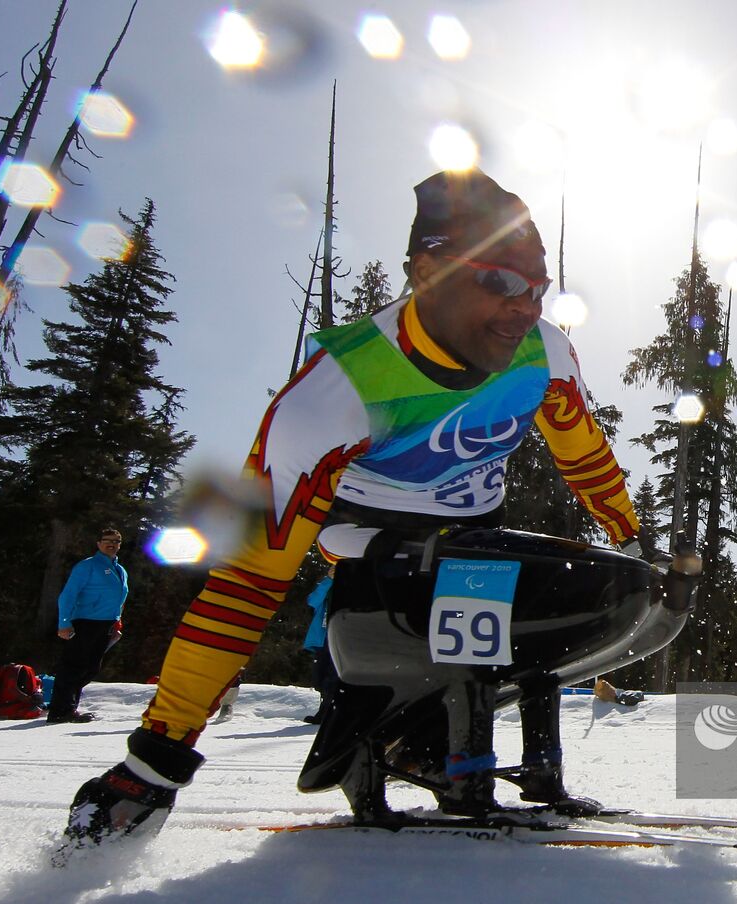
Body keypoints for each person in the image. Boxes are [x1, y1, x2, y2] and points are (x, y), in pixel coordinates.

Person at [60, 168, 666, 853]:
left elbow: (582, 448)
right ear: (428, 271)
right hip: (382, 570)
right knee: (476, 575)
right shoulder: (332, 397)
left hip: (477, 540)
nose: (524, 307)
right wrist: (155, 758)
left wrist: (635, 537)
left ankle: (426, 742)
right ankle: (393, 733)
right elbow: (245, 586)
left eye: (537, 288)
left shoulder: (544, 351)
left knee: (623, 594)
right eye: (498, 281)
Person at [47, 528, 128, 724]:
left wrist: (117, 620)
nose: (112, 544)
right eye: (107, 540)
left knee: (91, 667)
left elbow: (119, 598)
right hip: (85, 622)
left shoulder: (120, 569)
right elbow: (68, 595)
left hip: (106, 624)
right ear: (98, 543)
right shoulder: (87, 566)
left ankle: (69, 705)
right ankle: (59, 710)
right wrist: (64, 623)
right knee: (73, 666)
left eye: (116, 541)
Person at [301, 566, 335, 724]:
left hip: (342, 636)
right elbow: (313, 601)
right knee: (319, 677)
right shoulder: (327, 585)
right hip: (323, 636)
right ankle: (326, 709)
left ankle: (326, 713)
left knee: (332, 677)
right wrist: (329, 579)